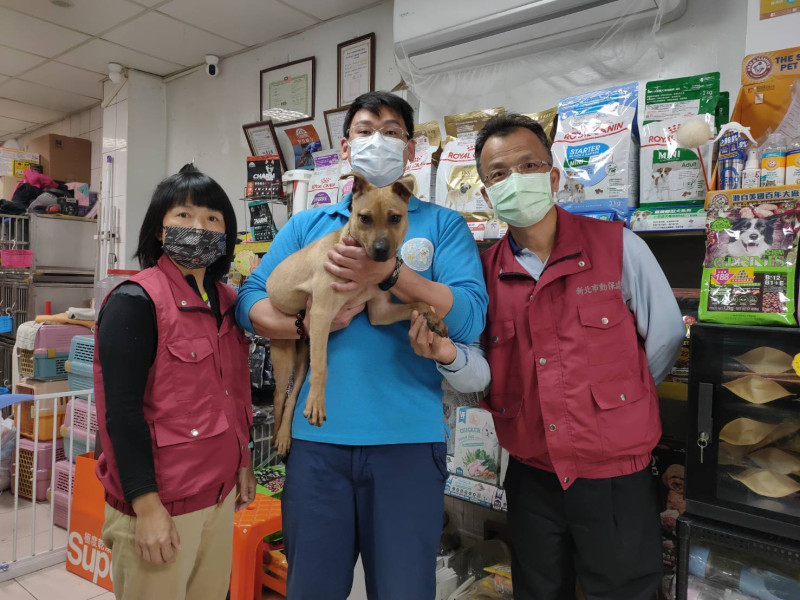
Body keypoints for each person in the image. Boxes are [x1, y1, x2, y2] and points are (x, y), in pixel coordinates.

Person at [236, 91, 488, 600]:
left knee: (402, 591)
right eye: (366, 130)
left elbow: (469, 317)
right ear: (347, 147)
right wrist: (303, 328)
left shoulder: (443, 225)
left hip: (407, 445)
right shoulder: (312, 224)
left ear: (411, 149)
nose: (379, 139)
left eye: (393, 131)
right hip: (316, 444)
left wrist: (394, 274)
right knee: (311, 588)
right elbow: (249, 300)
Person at [435, 113, 685, 600]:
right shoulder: (484, 274)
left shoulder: (618, 247)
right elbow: (480, 366)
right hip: (533, 475)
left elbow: (666, 337)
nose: (514, 181)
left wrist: (617, 407)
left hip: (615, 472)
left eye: (528, 166)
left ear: (552, 177)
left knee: (623, 591)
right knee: (538, 590)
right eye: (498, 175)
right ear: (486, 194)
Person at [94, 164, 256, 600]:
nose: (198, 227)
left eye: (212, 218)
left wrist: (243, 461)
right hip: (159, 505)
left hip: (217, 500)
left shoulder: (228, 302)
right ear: (159, 231)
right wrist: (146, 508)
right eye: (183, 215)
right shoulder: (135, 300)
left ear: (226, 235)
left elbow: (231, 391)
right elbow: (120, 414)